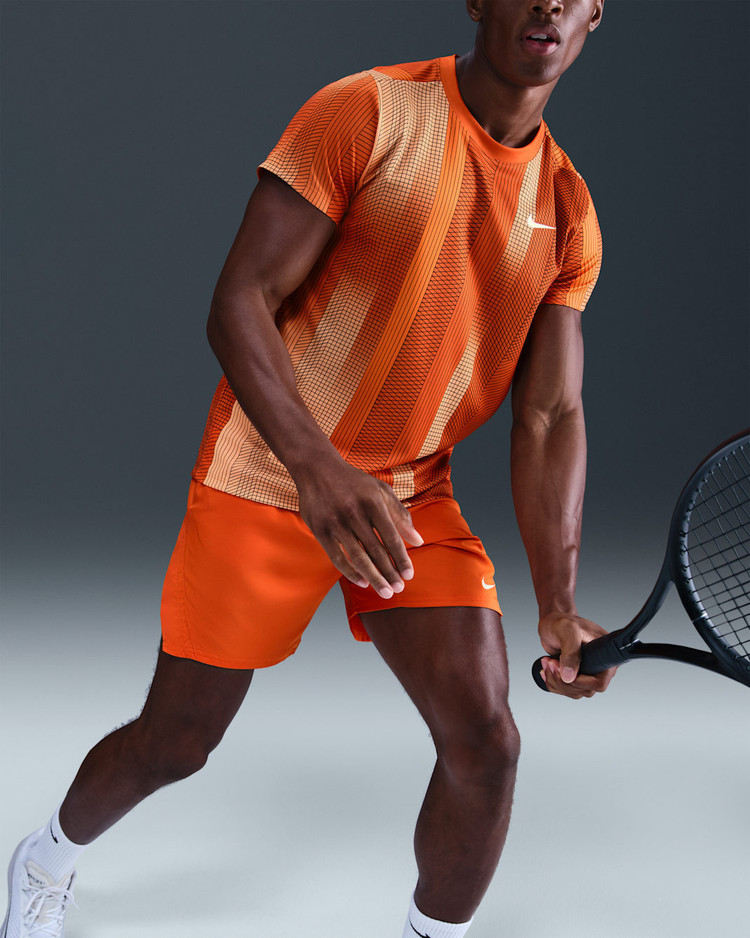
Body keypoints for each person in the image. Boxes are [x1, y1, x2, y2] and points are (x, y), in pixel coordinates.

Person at [2, 1, 618, 936]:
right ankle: (47, 856)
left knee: (487, 743)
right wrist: (316, 467)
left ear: (594, 16)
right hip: (267, 472)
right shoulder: (367, 111)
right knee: (179, 740)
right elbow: (239, 299)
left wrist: (559, 600)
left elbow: (550, 413)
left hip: (408, 492)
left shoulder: (567, 208)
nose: (549, 5)